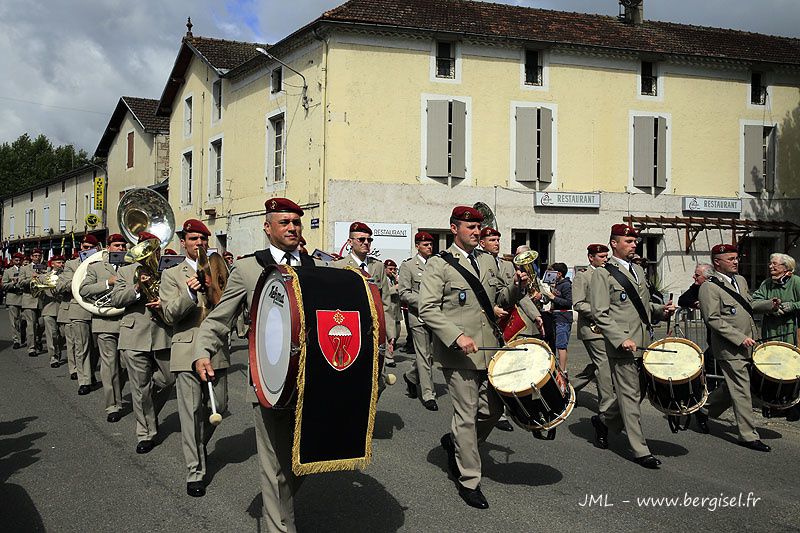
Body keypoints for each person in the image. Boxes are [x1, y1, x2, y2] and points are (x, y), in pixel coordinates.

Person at [192, 198, 325, 531]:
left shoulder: (316, 265)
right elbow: (219, 318)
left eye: (296, 221)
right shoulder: (250, 268)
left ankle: (276, 514)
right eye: (285, 222)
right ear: (268, 227)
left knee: (304, 460)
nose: (293, 227)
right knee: (276, 464)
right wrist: (202, 351)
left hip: (311, 379)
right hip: (270, 380)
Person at [419, 205, 526, 509]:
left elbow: (498, 300)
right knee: (465, 416)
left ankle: (455, 444)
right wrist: (456, 335)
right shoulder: (439, 265)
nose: (477, 232)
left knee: (491, 411)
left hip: (489, 348)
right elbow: (427, 308)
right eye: (470, 227)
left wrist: (517, 289)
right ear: (454, 229)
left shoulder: (489, 262)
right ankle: (469, 478)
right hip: (459, 355)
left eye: (479, 228)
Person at [590, 224, 675, 469]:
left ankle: (604, 422)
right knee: (629, 396)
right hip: (623, 344)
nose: (633, 244)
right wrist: (619, 338)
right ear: (614, 243)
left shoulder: (638, 270)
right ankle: (640, 449)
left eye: (634, 240)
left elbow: (643, 307)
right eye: (628, 241)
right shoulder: (602, 273)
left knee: (636, 394)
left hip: (643, 342)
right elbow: (600, 313)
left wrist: (661, 311)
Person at [160, 219, 229, 497]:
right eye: (193, 239)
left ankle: (199, 445)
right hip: (186, 349)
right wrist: (190, 292)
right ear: (183, 243)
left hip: (215, 349)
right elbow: (169, 314)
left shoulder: (217, 267)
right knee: (189, 412)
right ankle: (195, 471)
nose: (199, 244)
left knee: (220, 406)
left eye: (202, 239)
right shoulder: (171, 275)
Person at [696, 244, 780, 450]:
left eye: (736, 257)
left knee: (732, 387)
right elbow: (712, 319)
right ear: (717, 262)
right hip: (729, 347)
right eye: (731, 258)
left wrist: (769, 305)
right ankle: (748, 435)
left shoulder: (740, 281)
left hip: (749, 343)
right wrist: (738, 337)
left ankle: (704, 410)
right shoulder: (709, 287)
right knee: (742, 390)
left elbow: (748, 304)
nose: (736, 261)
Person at [109, 231, 175, 454]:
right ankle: (146, 432)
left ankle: (148, 414)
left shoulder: (168, 270)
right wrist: (137, 287)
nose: (151, 253)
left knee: (168, 379)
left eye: (155, 248)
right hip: (134, 335)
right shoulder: (126, 271)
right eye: (146, 248)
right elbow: (116, 299)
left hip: (162, 333)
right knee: (140, 388)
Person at [79, 234, 127, 422]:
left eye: (123, 245)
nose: (121, 248)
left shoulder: (132, 266)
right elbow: (84, 290)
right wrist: (108, 282)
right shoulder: (96, 267)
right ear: (108, 247)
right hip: (105, 321)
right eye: (117, 245)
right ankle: (113, 406)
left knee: (124, 365)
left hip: (126, 321)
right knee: (109, 366)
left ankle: (117, 392)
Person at [334, 222, 396, 362]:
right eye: (361, 239)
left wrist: (390, 333)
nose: (366, 242)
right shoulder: (339, 266)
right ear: (350, 242)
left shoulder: (378, 266)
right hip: (350, 328)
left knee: (376, 369)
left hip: (375, 328)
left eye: (369, 239)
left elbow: (385, 302)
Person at [570, 244, 615, 424]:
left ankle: (569, 390)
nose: (605, 259)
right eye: (601, 256)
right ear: (591, 258)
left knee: (598, 366)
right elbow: (578, 303)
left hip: (610, 328)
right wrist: (600, 313)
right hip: (593, 329)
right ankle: (607, 407)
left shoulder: (609, 274)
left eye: (606, 256)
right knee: (604, 366)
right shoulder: (583, 276)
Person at [752, 253, 800, 421]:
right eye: (770, 264)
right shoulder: (766, 283)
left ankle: (792, 405)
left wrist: (792, 305)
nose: (770, 267)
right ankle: (772, 403)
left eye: (775, 264)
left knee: (791, 366)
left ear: (786, 268)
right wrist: (769, 307)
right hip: (770, 330)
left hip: (791, 330)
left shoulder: (796, 282)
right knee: (772, 365)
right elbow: (754, 302)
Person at [399, 231, 438, 411]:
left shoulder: (436, 264)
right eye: (425, 245)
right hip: (419, 316)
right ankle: (429, 394)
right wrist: (423, 302)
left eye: (431, 244)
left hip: (436, 316)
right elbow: (404, 292)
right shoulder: (409, 266)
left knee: (431, 355)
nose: (429, 247)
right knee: (423, 354)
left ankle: (411, 376)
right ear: (417, 246)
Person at [58, 236, 101, 394]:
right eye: (84, 246)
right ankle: (84, 381)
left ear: (96, 248)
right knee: (81, 346)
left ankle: (90, 374)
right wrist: (79, 278)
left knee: (96, 347)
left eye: (90, 246)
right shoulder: (71, 264)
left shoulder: (102, 261)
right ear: (80, 247)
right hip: (78, 308)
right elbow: (61, 286)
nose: (86, 249)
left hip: (98, 308)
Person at [18, 248, 45, 357]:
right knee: (31, 325)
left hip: (41, 300)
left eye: (39, 255)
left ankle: (38, 339)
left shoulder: (44, 267)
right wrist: (31, 279)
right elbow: (21, 282)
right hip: (29, 300)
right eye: (35, 256)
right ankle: (31, 348)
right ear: (31, 257)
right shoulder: (24, 268)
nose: (37, 258)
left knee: (42, 324)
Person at [41, 255, 65, 368]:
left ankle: (58, 351)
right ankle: (53, 358)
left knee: (62, 335)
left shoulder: (65, 275)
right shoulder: (45, 276)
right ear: (52, 264)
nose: (61, 265)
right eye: (58, 263)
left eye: (62, 262)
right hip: (49, 308)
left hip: (62, 308)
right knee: (51, 335)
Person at [549, 262, 572, 373]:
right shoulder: (557, 285)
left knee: (561, 346)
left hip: (563, 318)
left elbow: (569, 302)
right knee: (557, 344)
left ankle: (562, 371)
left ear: (558, 274)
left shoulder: (566, 285)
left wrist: (553, 298)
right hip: (556, 317)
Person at [2, 252, 24, 349]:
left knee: (25, 321)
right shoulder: (8, 271)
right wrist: (13, 283)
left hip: (24, 298)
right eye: (16, 260)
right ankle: (16, 340)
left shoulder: (25, 269)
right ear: (12, 261)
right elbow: (3, 285)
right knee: (14, 321)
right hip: (13, 298)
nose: (18, 262)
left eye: (20, 260)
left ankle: (24, 336)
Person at [384, 258, 402, 368]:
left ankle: (388, 352)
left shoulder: (393, 279)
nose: (392, 271)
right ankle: (389, 358)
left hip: (396, 311)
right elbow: (384, 293)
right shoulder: (384, 279)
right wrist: (395, 288)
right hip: (389, 311)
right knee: (389, 336)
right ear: (385, 269)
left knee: (397, 333)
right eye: (390, 269)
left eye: (394, 269)